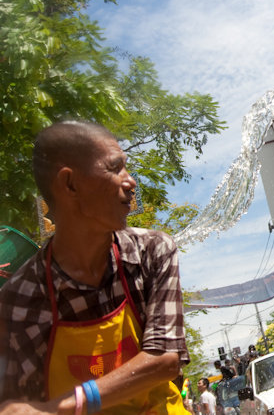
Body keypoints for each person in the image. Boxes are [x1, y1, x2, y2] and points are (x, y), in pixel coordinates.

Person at [0, 121, 189, 414]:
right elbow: (17, 404)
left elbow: (164, 359)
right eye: (115, 169)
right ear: (70, 184)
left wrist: (66, 406)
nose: (131, 181)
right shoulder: (19, 298)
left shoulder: (152, 252)